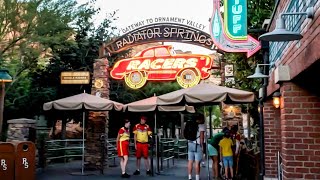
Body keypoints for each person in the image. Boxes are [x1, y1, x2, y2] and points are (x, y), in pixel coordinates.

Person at [187, 115, 205, 180]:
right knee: (197, 162)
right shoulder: (201, 126)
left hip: (190, 144)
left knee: (190, 161)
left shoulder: (190, 125)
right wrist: (202, 146)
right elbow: (202, 138)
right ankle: (197, 177)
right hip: (197, 145)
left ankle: (189, 177)